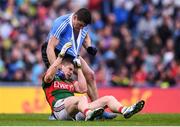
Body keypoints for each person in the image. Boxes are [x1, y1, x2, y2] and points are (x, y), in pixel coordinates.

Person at [41, 8, 116, 119]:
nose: (80, 27)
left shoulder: (82, 25)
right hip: (56, 52)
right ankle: (55, 113)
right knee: (57, 80)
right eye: (79, 25)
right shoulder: (62, 23)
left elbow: (85, 35)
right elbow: (50, 47)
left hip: (70, 53)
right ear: (74, 17)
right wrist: (57, 68)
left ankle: (98, 111)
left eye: (83, 26)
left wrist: (89, 46)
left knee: (90, 75)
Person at [42, 43, 145, 121]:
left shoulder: (70, 81)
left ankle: (125, 110)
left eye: (72, 71)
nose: (71, 72)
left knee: (108, 98)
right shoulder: (52, 78)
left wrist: (79, 69)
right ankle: (88, 113)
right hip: (59, 109)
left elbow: (83, 89)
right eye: (69, 69)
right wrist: (60, 57)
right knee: (81, 99)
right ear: (61, 66)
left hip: (76, 110)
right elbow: (49, 76)